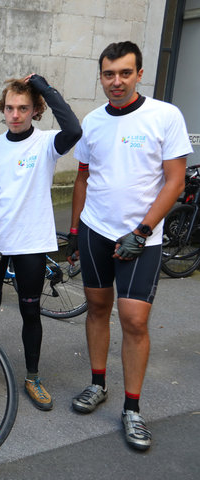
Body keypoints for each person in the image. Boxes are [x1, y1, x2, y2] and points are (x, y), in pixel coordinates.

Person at [67, 41, 192, 450]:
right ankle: (97, 383)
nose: (116, 82)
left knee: (134, 320)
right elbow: (83, 177)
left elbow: (175, 179)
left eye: (124, 73)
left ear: (139, 74)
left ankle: (133, 409)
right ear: (101, 76)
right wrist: (73, 232)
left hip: (142, 236)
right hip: (95, 231)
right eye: (108, 74)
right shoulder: (93, 121)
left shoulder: (164, 116)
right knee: (98, 309)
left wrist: (142, 231)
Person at [0, 75, 82, 411]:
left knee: (30, 310)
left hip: (31, 242)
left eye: (23, 108)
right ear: (4, 110)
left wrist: (43, 87)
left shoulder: (46, 144)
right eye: (10, 108)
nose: (15, 114)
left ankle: (32, 376)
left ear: (35, 111)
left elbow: (73, 130)